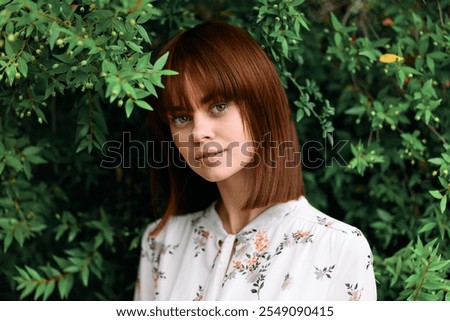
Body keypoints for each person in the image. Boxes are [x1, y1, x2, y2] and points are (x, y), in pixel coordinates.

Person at [134, 21, 377, 301]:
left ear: (260, 105)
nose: (199, 132)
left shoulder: (336, 248)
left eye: (218, 106)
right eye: (181, 117)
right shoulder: (162, 243)